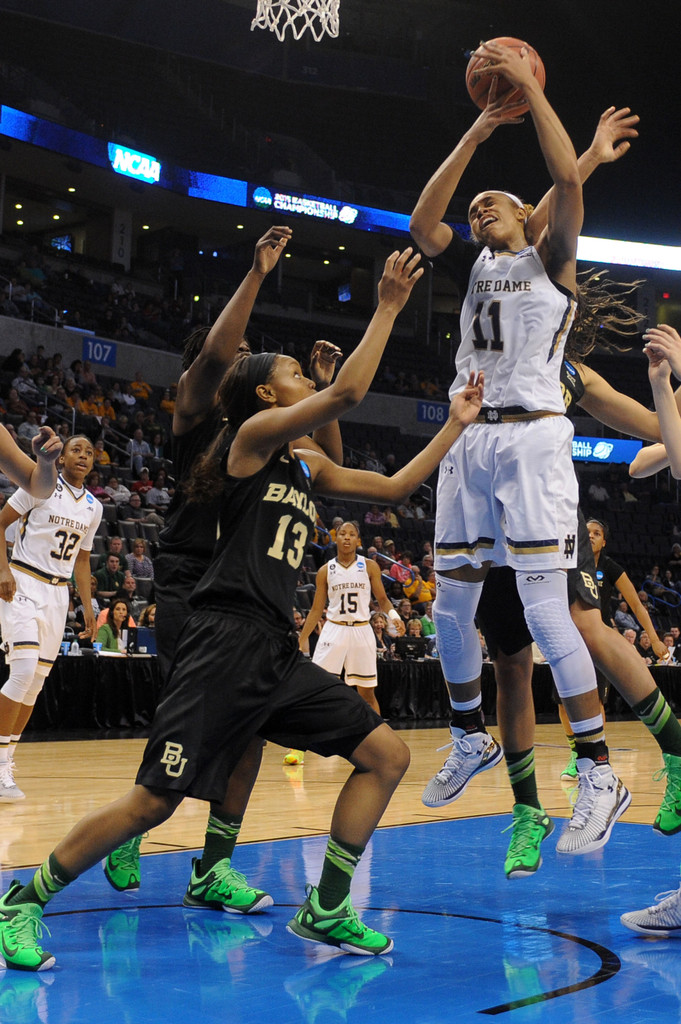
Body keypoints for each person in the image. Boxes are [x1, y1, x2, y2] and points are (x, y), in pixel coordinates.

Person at [0, 248, 484, 971]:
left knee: (387, 755)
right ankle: (23, 899)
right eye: (291, 372)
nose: (301, 377)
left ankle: (326, 906)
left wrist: (455, 425)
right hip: (221, 638)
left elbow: (390, 489)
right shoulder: (249, 439)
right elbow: (347, 395)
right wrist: (386, 306)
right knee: (153, 802)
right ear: (263, 395)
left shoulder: (303, 463)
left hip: (273, 648)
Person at [410, 61, 639, 858]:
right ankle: (466, 734)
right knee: (449, 607)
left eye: (494, 203)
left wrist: (537, 96)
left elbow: (563, 187)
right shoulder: (473, 263)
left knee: (545, 613)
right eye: (475, 206)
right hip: (468, 437)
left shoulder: (551, 262)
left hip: (532, 437)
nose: (478, 209)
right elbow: (422, 221)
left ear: (527, 217)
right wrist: (477, 131)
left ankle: (598, 772)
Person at [104, 227, 342, 901]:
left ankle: (213, 865)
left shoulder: (269, 434)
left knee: (253, 725)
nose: (241, 359)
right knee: (191, 716)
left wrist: (325, 388)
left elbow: (332, 459)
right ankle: (133, 826)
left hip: (251, 587)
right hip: (193, 583)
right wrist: (257, 273)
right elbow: (213, 354)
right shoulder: (195, 417)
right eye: (235, 355)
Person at [0, 436, 101, 800]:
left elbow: (83, 560)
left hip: (58, 594)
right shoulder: (38, 485)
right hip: (23, 581)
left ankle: (6, 761)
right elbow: (0, 523)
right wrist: (3, 570)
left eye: (89, 452)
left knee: (36, 684)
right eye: (76, 450)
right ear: (60, 456)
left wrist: (88, 608)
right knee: (23, 671)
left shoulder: (93, 507)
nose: (83, 456)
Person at [298, 520, 406, 716]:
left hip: (361, 630)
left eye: (351, 534)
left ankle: (374, 734)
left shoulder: (369, 566)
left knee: (367, 694)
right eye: (342, 533)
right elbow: (316, 610)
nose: (347, 537)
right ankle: (313, 735)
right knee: (319, 689)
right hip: (334, 628)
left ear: (358, 540)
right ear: (336, 538)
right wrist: (301, 638)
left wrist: (394, 616)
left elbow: (382, 599)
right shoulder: (325, 570)